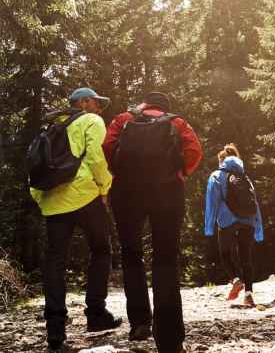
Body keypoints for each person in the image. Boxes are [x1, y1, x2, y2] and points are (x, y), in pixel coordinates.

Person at [103, 91, 203, 353]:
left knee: (131, 254)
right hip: (167, 191)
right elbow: (194, 151)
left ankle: (139, 323)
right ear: (165, 106)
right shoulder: (177, 122)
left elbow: (107, 147)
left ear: (145, 104)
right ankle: (169, 337)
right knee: (166, 258)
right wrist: (180, 172)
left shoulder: (124, 119)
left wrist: (119, 173)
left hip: (126, 192)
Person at [30, 87, 123, 351]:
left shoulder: (51, 127)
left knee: (55, 261)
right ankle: (96, 315)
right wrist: (104, 188)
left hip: (53, 202)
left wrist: (42, 200)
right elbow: (96, 157)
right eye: (97, 102)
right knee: (101, 250)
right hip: (85, 195)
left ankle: (55, 330)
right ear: (84, 102)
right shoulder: (91, 121)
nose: (100, 109)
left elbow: (35, 165)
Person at [204, 144, 265, 307]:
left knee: (225, 253)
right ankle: (249, 294)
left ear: (221, 161)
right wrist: (258, 229)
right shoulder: (245, 177)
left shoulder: (216, 175)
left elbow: (212, 202)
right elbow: (255, 204)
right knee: (246, 256)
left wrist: (209, 226)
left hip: (227, 220)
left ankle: (236, 280)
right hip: (249, 220)